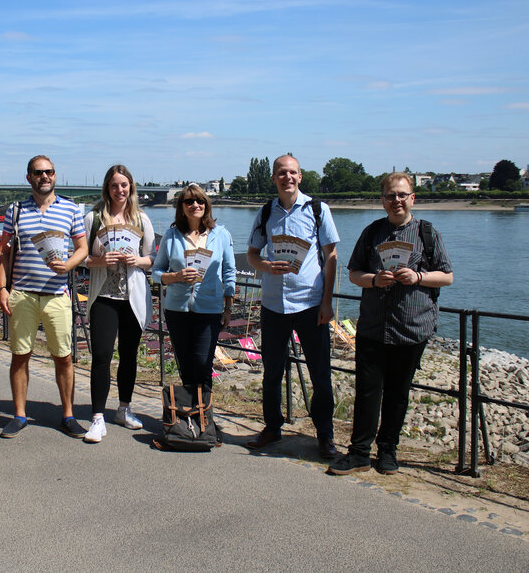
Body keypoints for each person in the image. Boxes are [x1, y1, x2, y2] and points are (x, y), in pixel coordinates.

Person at [329, 172, 453, 475]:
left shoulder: (427, 233)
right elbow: (354, 273)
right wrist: (374, 279)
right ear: (382, 200)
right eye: (390, 195)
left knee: (398, 393)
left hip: (412, 327)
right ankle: (358, 452)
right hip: (373, 326)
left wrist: (418, 277)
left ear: (412, 198)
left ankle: (388, 452)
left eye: (402, 195)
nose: (396, 200)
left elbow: (447, 276)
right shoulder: (372, 232)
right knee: (367, 391)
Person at [245, 155, 340, 457]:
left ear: (300, 177)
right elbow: (251, 255)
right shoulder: (264, 213)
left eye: (292, 173)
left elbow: (332, 257)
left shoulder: (317, 209)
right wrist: (265, 266)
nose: (287, 177)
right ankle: (272, 427)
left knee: (320, 375)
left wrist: (327, 302)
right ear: (274, 178)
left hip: (311, 305)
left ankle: (325, 434)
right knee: (272, 372)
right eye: (281, 173)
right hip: (274, 305)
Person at [0, 155, 88, 439]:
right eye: (38, 173)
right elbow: (5, 253)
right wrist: (2, 289)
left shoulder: (70, 209)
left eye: (49, 172)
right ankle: (20, 415)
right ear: (29, 178)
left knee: (64, 357)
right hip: (22, 294)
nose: (44, 177)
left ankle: (68, 415)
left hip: (56, 295)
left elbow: (82, 247)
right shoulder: (16, 210)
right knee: (20, 356)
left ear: (55, 175)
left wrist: (69, 264)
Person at [82, 165, 155, 443]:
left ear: (131, 188)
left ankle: (124, 408)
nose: (120, 190)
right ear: (107, 188)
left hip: (132, 297)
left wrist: (138, 261)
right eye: (114, 185)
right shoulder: (93, 218)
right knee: (101, 355)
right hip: (103, 295)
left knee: (128, 355)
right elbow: (83, 257)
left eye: (124, 185)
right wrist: (101, 260)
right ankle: (97, 417)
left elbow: (151, 258)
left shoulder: (141, 219)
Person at [151, 184, 236, 393]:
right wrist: (176, 276)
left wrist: (228, 308)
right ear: (181, 206)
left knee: (203, 365)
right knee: (186, 367)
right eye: (189, 201)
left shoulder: (220, 234)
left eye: (200, 201)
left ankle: (205, 420)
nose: (195, 205)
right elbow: (156, 272)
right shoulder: (171, 235)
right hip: (177, 309)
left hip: (209, 309)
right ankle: (190, 416)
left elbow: (229, 272)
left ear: (207, 205)